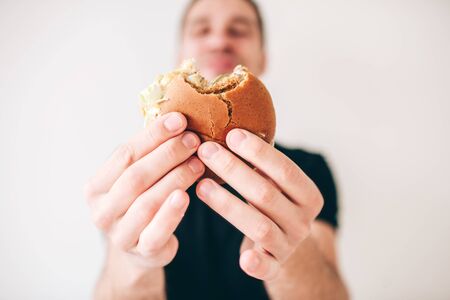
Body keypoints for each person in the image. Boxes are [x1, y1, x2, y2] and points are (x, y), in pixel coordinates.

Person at [84, 0, 349, 299]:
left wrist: (291, 254)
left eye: (238, 31)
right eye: (201, 30)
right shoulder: (136, 176)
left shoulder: (306, 172)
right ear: (179, 57)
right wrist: (133, 261)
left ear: (262, 59)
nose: (219, 41)